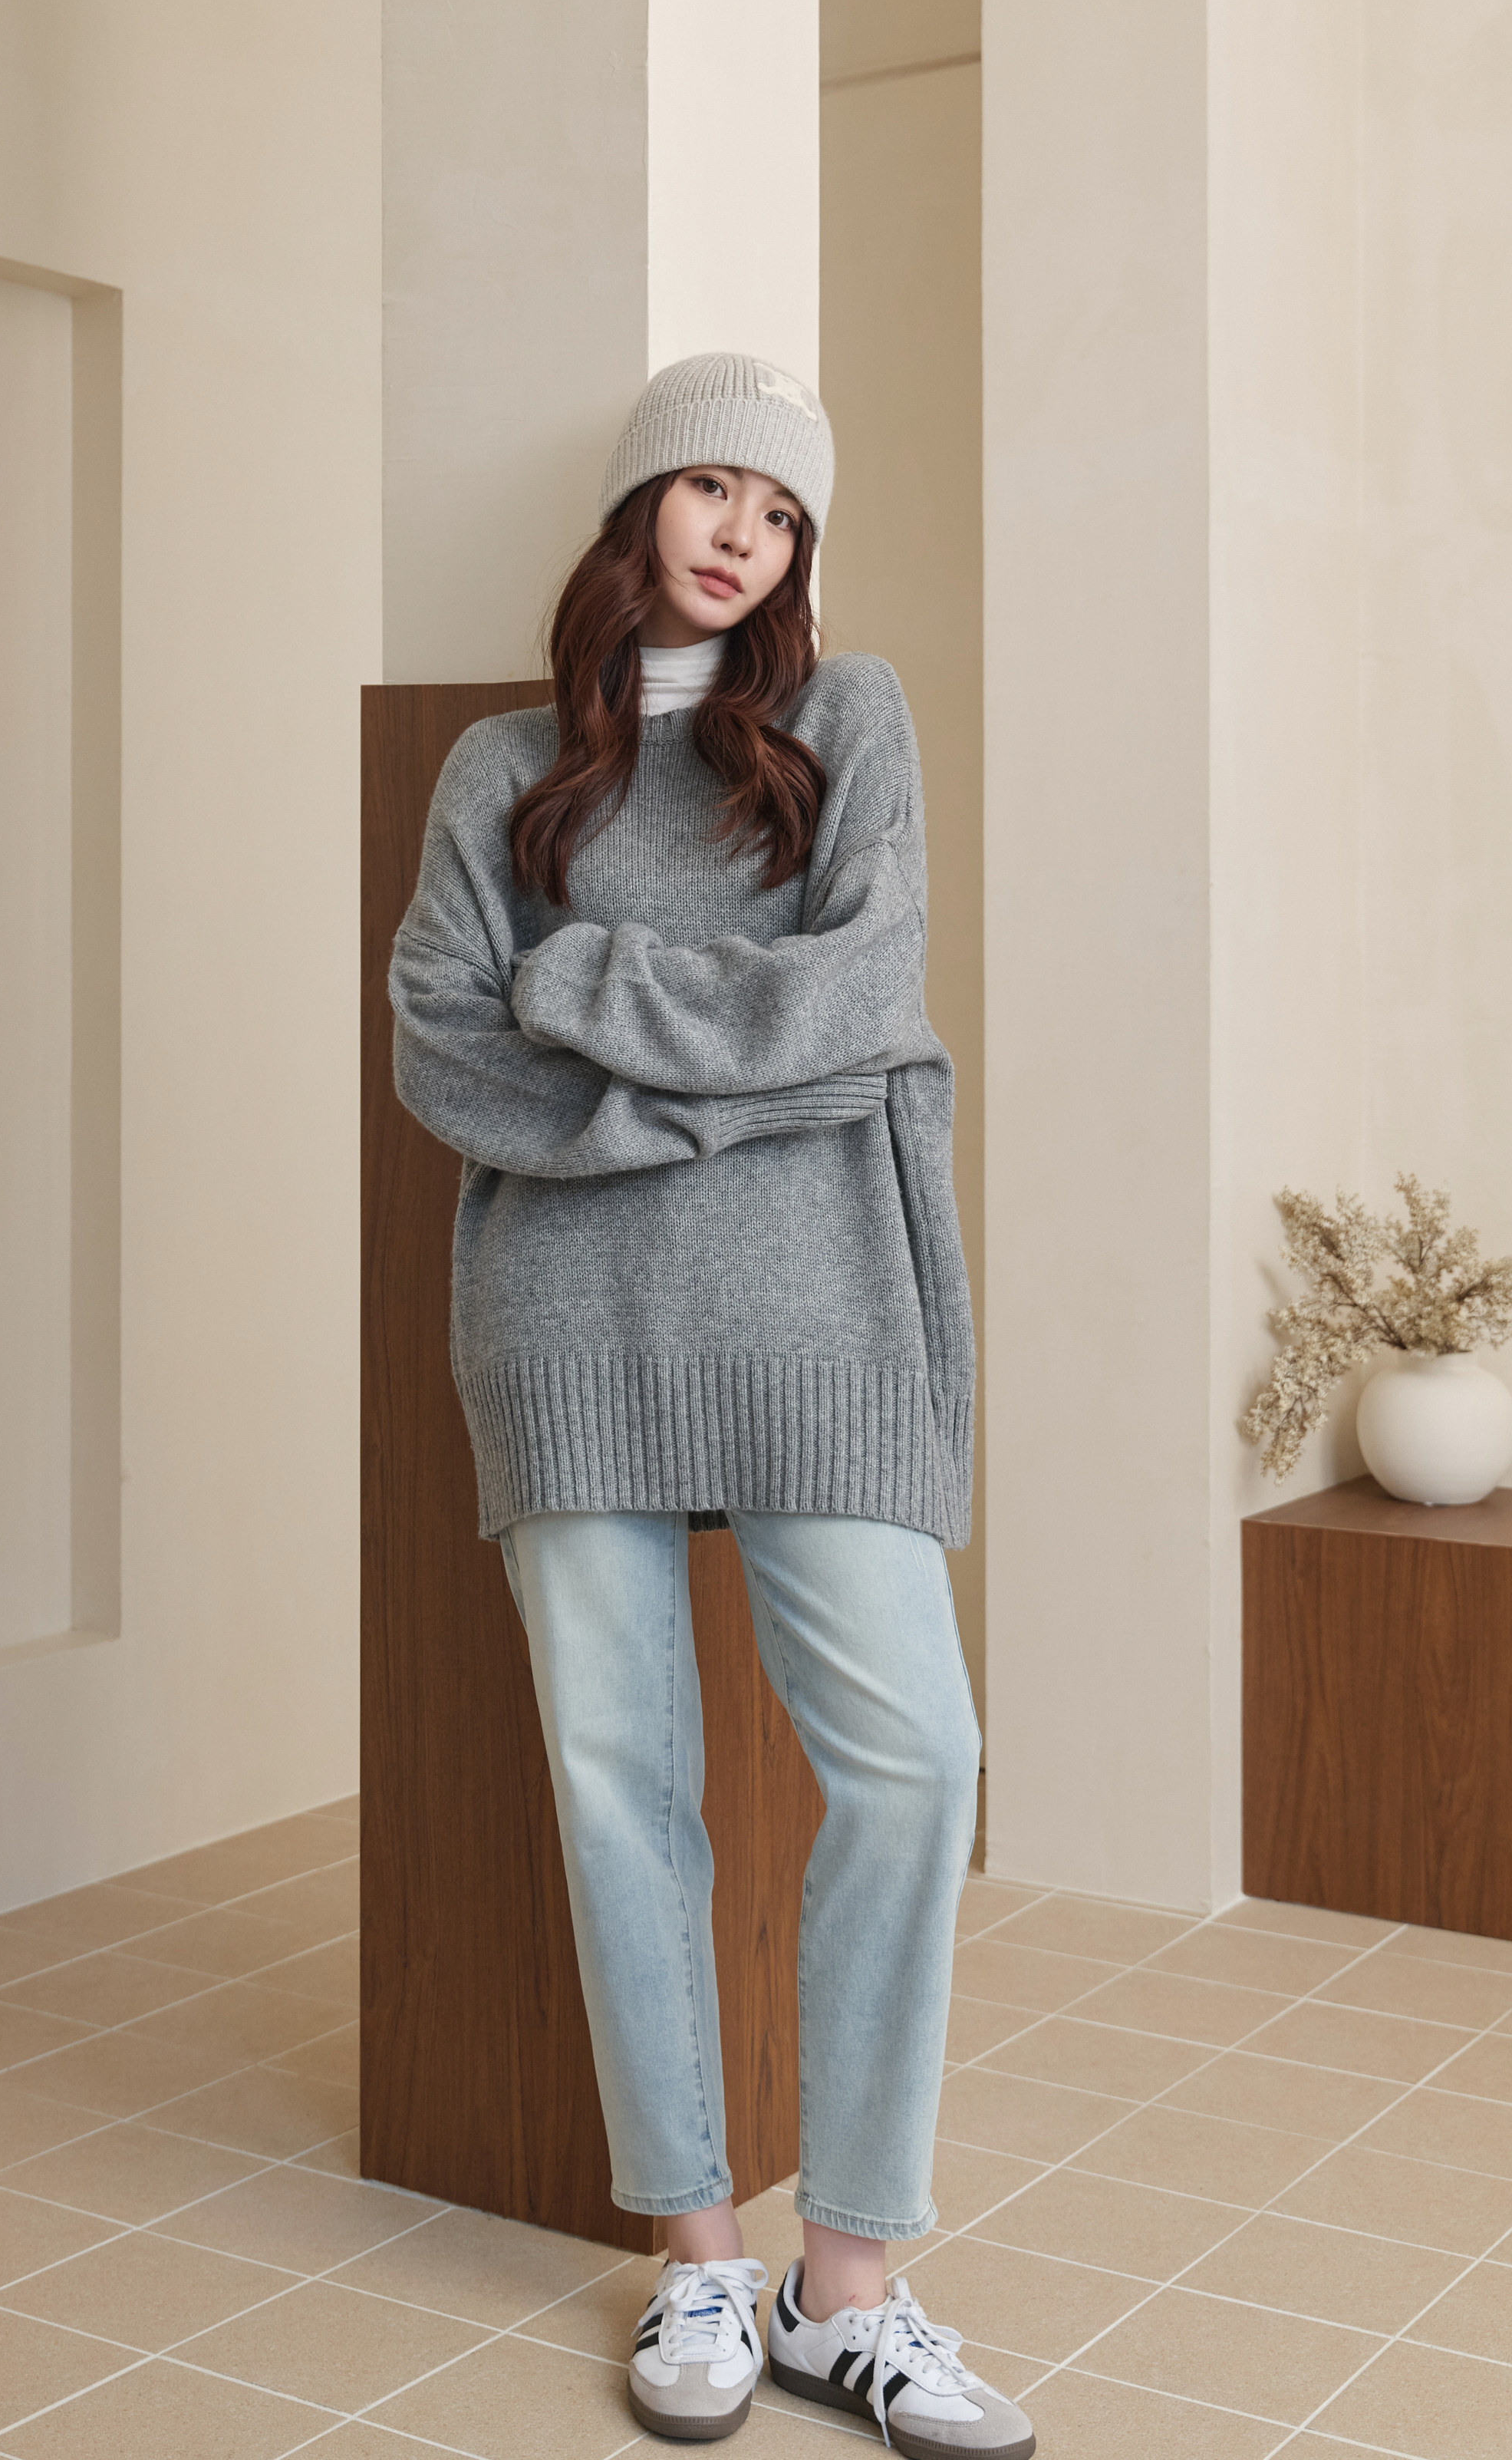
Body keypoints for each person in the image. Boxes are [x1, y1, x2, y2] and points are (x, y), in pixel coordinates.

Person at [388, 355, 1029, 2458]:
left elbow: (866, 994)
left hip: (823, 1312)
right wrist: (739, 1088)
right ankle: (693, 2253)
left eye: (781, 508)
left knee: (917, 1762)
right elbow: (441, 1046)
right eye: (712, 487)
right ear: (638, 508)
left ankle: (850, 2285)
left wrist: (581, 984)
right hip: (568, 1326)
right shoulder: (499, 771)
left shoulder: (852, 725)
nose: (743, 531)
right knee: (621, 1785)